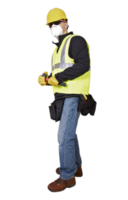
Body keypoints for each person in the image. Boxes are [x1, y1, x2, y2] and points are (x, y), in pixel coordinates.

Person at [36, 7, 93, 193]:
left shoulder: (76, 40)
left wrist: (57, 78)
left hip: (73, 94)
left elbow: (83, 65)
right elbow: (60, 71)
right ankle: (76, 166)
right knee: (71, 134)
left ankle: (67, 176)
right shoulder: (56, 48)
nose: (52, 27)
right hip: (62, 95)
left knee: (63, 136)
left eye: (56, 23)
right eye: (49, 25)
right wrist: (46, 77)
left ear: (67, 22)